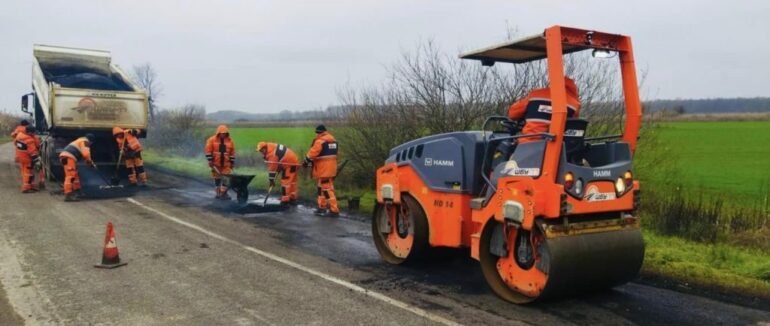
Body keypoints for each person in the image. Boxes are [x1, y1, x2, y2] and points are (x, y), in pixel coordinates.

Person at [507, 76, 582, 143]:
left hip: (530, 142)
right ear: (573, 88)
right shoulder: (575, 105)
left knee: (507, 151)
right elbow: (573, 124)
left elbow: (512, 114)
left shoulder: (536, 94)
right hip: (558, 145)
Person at [304, 124, 339, 217]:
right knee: (321, 188)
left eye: (317, 133)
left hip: (324, 170)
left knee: (327, 190)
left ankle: (334, 210)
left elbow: (312, 153)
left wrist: (305, 162)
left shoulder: (320, 141)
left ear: (318, 133)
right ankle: (321, 207)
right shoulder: (334, 141)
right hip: (331, 169)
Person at [58, 134, 96, 202]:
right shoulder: (85, 141)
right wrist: (91, 163)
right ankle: (68, 195)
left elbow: (85, 156)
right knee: (70, 176)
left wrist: (90, 163)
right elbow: (86, 154)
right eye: (91, 144)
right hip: (68, 157)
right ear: (91, 141)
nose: (90, 145)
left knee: (75, 175)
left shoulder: (80, 140)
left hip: (67, 157)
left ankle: (77, 191)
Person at [204, 125, 236, 199]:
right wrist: (210, 160)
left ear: (227, 133)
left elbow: (232, 153)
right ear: (218, 133)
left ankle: (223, 193)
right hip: (215, 164)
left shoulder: (230, 141)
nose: (223, 134)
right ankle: (218, 193)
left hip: (226, 164)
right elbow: (208, 151)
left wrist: (232, 163)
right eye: (222, 133)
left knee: (226, 178)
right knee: (217, 178)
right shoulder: (211, 140)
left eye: (225, 133)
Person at [14, 125, 41, 193]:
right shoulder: (29, 140)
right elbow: (32, 152)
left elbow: (15, 143)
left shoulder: (19, 135)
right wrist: (36, 159)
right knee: (28, 173)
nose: (34, 134)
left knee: (24, 172)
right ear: (30, 132)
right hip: (27, 158)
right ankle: (26, 188)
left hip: (20, 157)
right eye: (33, 132)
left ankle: (30, 185)